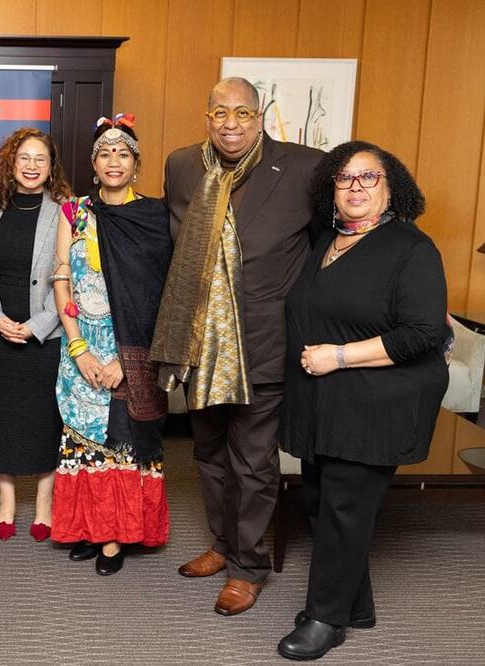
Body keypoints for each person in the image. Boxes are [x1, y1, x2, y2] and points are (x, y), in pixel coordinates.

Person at [151, 77, 323, 614]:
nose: (230, 124)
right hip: (197, 341)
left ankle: (248, 567)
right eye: (220, 112)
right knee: (207, 453)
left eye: (242, 113)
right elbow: (175, 247)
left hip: (263, 342)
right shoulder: (183, 165)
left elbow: (330, 246)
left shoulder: (304, 167)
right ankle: (222, 544)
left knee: (251, 462)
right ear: (207, 116)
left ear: (259, 116)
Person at [276, 142, 446, 660]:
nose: (355, 186)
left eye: (369, 177)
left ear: (392, 187)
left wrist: (339, 357)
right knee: (321, 502)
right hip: (324, 403)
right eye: (344, 177)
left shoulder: (411, 249)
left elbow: (421, 333)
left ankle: (326, 619)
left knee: (344, 508)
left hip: (376, 402)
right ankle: (356, 605)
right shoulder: (330, 239)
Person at [50, 114, 172, 575]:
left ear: (136, 164)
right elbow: (61, 278)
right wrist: (79, 349)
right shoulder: (74, 212)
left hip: (133, 349)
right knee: (84, 440)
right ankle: (92, 527)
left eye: (123, 153)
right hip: (81, 346)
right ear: (93, 163)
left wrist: (125, 360)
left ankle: (115, 537)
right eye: (105, 153)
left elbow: (162, 293)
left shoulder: (155, 216)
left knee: (122, 441)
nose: (113, 161)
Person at [0, 128, 70, 541]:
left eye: (41, 159)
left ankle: (44, 505)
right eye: (24, 158)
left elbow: (70, 277)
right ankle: (6, 504)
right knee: (4, 419)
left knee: (44, 421)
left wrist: (37, 326)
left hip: (45, 337)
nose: (32, 166)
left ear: (51, 168)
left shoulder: (66, 212)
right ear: (11, 163)